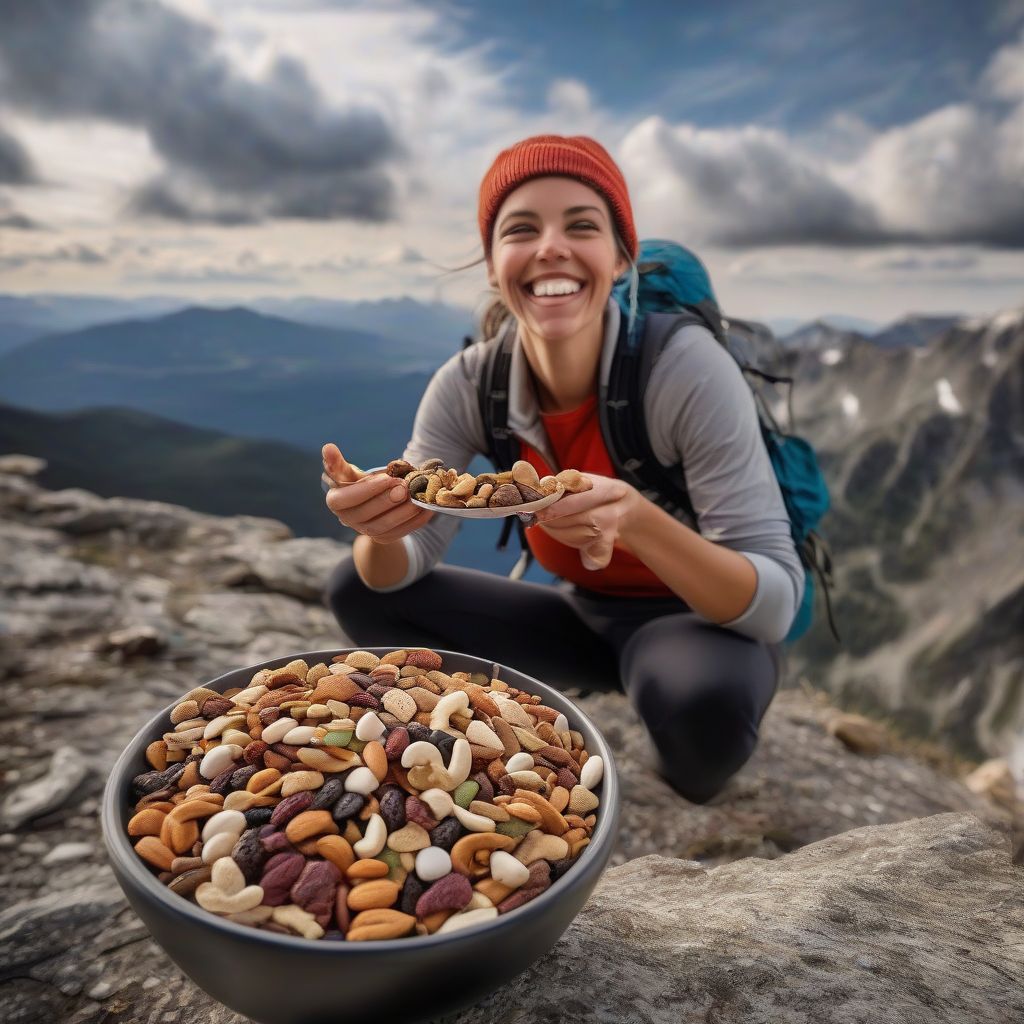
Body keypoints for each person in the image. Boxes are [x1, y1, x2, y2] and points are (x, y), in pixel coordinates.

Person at [322, 134, 803, 804]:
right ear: (494, 265)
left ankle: (671, 781)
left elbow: (776, 604)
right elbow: (407, 562)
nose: (551, 246)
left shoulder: (684, 370)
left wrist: (636, 519)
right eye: (521, 229)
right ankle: (615, 681)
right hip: (576, 620)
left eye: (582, 225)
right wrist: (381, 526)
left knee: (705, 707)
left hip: (696, 621)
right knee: (355, 585)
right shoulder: (470, 383)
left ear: (619, 257)